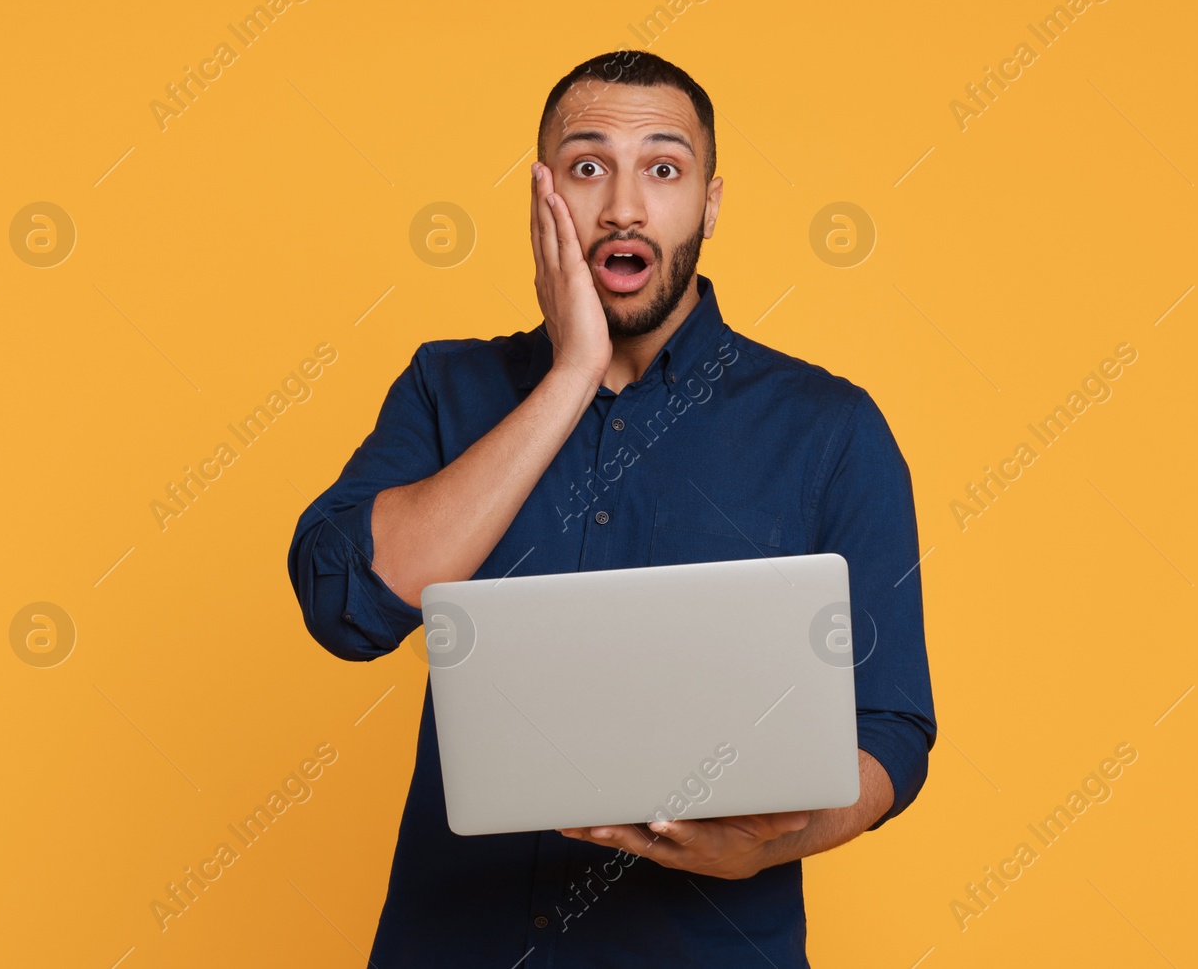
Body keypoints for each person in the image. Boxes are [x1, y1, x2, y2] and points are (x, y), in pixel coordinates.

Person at [286, 49, 936, 967]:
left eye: (663, 170)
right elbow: (345, 602)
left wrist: (765, 845)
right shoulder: (447, 387)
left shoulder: (829, 429)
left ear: (710, 203)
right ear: (543, 193)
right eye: (589, 167)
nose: (624, 207)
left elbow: (891, 726)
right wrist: (571, 375)